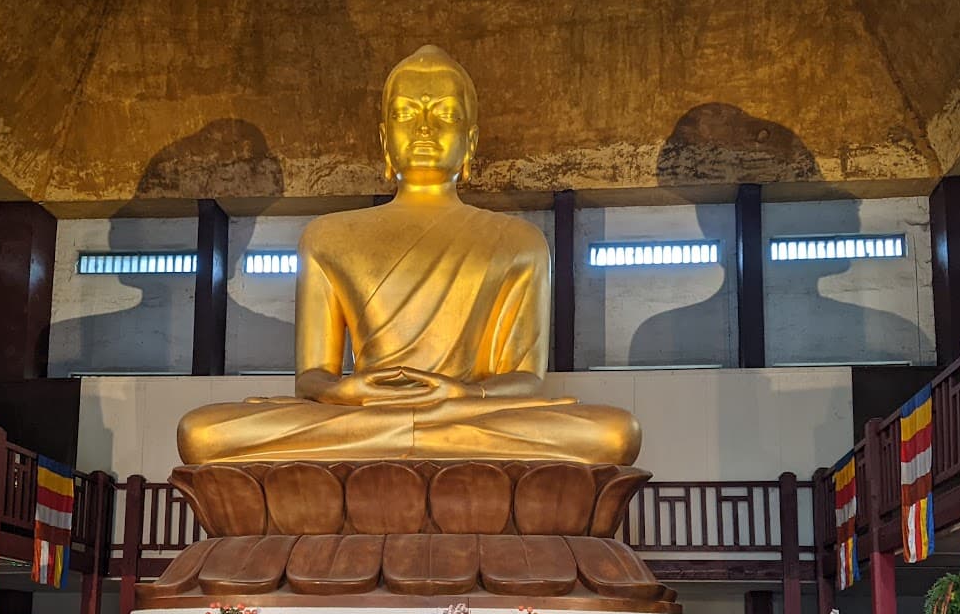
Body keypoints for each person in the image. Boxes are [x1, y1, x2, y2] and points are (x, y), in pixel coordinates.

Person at [176, 45, 640, 465]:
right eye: (405, 113)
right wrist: (347, 390)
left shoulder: (518, 241)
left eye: (443, 114)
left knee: (615, 434)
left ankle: (399, 444)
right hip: (365, 416)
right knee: (200, 432)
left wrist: (462, 392)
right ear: (384, 141)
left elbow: (524, 380)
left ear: (471, 143)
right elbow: (313, 377)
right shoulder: (328, 237)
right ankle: (411, 441)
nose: (423, 127)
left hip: (461, 414)